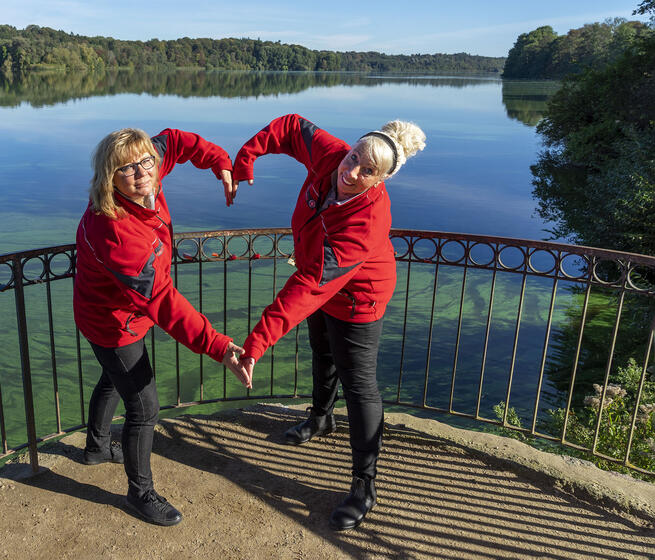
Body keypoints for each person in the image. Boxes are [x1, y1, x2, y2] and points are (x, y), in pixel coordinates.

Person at [232, 113, 425, 531]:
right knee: (321, 349)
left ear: (381, 180)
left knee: (360, 385)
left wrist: (257, 343)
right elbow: (291, 128)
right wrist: (247, 157)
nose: (351, 171)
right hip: (322, 277)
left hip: (359, 297)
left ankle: (364, 486)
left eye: (367, 170)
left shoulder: (367, 220)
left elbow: (311, 284)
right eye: (354, 156)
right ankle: (321, 418)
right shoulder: (334, 155)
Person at [74, 127, 251, 527]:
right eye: (126, 169)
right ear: (109, 177)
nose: (141, 173)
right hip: (112, 322)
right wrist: (220, 347)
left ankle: (97, 448)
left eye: (146, 162)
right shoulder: (115, 231)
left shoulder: (149, 168)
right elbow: (164, 302)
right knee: (144, 406)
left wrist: (220, 162)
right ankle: (140, 494)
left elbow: (177, 140)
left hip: (112, 311)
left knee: (112, 378)